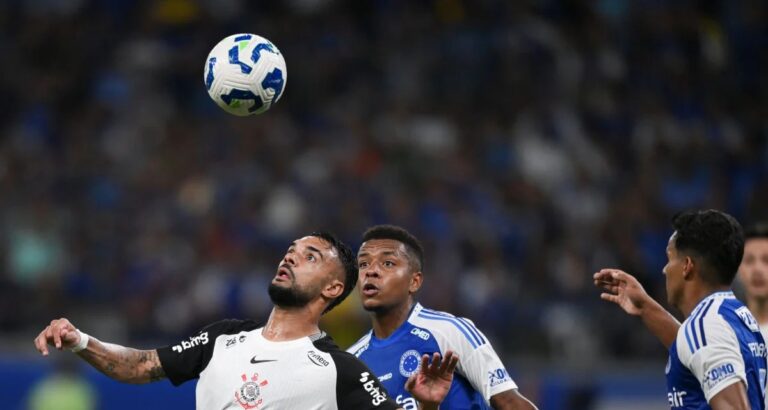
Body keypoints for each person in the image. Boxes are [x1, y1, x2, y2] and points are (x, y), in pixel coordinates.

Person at [34, 232, 459, 410]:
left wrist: (426, 407)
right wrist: (79, 340)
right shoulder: (223, 337)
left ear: (332, 289)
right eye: (292, 249)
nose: (290, 255)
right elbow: (141, 366)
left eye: (310, 256)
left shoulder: (343, 371)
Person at [348, 225, 537, 410]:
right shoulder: (352, 363)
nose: (370, 271)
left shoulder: (448, 331)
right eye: (363, 264)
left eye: (387, 263)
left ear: (414, 282)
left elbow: (509, 402)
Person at [594, 210, 767, 409]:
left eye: (669, 258)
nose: (665, 269)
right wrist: (645, 307)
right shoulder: (734, 314)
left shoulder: (707, 326)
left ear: (686, 266)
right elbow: (694, 354)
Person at [739, 223, 768, 341]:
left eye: (766, 260)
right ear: (738, 269)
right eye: (749, 260)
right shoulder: (728, 331)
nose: (757, 269)